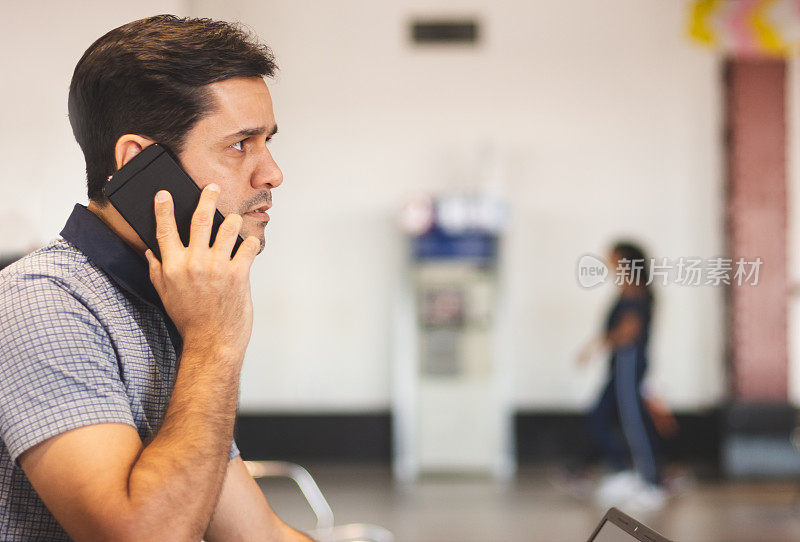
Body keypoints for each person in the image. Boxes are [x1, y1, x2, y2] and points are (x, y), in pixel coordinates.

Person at [0, 15, 313, 541]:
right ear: (140, 164)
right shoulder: (42, 304)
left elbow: (258, 536)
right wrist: (215, 342)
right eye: (241, 145)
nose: (272, 173)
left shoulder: (167, 299)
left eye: (268, 141)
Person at [576, 241, 666, 511]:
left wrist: (600, 342)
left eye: (613, 258)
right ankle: (624, 474)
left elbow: (629, 332)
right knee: (601, 416)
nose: (608, 263)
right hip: (619, 365)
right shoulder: (625, 291)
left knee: (634, 422)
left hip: (629, 363)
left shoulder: (635, 293)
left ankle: (652, 484)